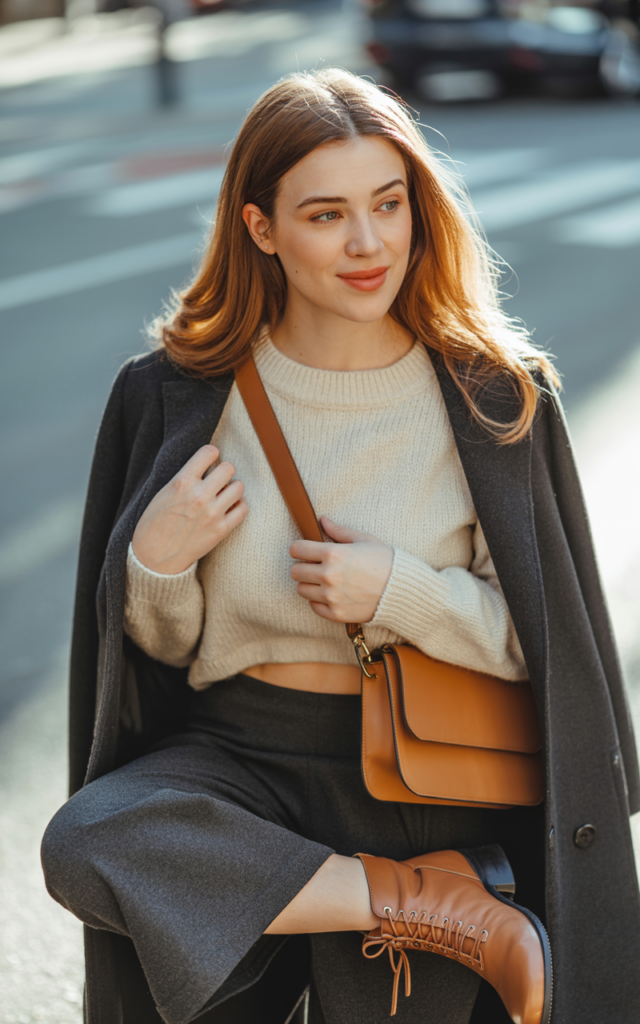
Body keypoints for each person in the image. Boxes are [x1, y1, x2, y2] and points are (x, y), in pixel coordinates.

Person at [41, 68, 640, 1024]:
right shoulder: (175, 394)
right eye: (326, 215)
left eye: (389, 204)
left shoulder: (494, 396)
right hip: (240, 761)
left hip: (429, 769)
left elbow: (551, 650)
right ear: (260, 227)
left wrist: (399, 590)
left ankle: (431, 889)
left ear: (418, 210)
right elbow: (154, 666)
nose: (369, 244)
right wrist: (156, 560)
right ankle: (434, 903)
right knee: (91, 837)